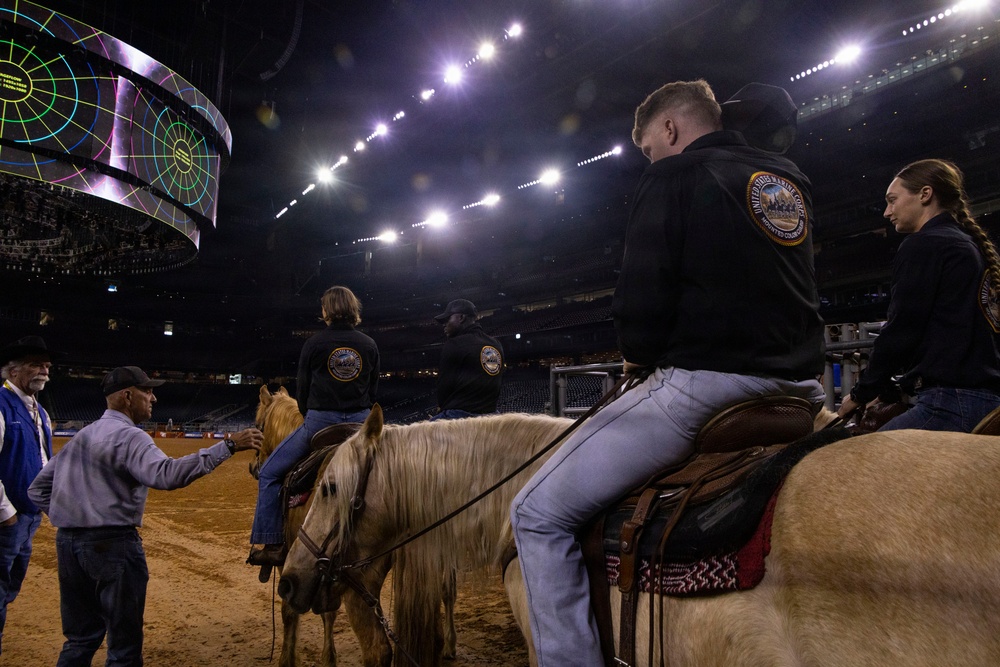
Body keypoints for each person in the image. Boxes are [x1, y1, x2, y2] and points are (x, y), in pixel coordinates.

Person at [510, 79, 826, 665]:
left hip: (705, 387)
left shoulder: (672, 175)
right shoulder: (785, 179)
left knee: (535, 513)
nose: (650, 158)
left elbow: (642, 306)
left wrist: (640, 353)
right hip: (802, 390)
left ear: (670, 128)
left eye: (649, 147)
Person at [26, 365, 263, 666]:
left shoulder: (82, 437)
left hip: (68, 544)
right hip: (112, 545)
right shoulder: (130, 437)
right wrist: (227, 446)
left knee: (80, 639)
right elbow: (167, 475)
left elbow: (37, 490)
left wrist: (72, 515)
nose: (153, 398)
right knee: (123, 646)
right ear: (127, 396)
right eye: (147, 391)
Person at [837, 159, 1000, 431]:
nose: (887, 212)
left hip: (949, 403)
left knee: (855, 466)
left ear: (925, 194)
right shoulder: (969, 246)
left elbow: (903, 328)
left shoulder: (924, 244)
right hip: (987, 402)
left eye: (892, 200)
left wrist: (859, 394)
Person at [248, 285, 379, 566]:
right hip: (360, 424)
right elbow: (374, 388)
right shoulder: (369, 344)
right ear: (353, 309)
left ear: (327, 311)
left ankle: (272, 544)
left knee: (269, 473)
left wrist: (310, 418)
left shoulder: (314, 344)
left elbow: (304, 391)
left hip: (321, 422)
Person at [0, 335, 59, 655]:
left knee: (9, 587)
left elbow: (44, 462)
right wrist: (5, 513)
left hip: (29, 516)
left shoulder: (41, 412)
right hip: (8, 519)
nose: (45, 370)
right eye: (37, 364)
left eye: (47, 365)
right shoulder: (1, 404)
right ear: (12, 371)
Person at [431, 299, 504, 420]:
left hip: (460, 415)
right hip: (491, 415)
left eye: (447, 319)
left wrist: (442, 410)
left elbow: (444, 386)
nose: (444, 324)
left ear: (461, 317)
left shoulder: (454, 344)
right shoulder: (496, 344)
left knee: (416, 436)